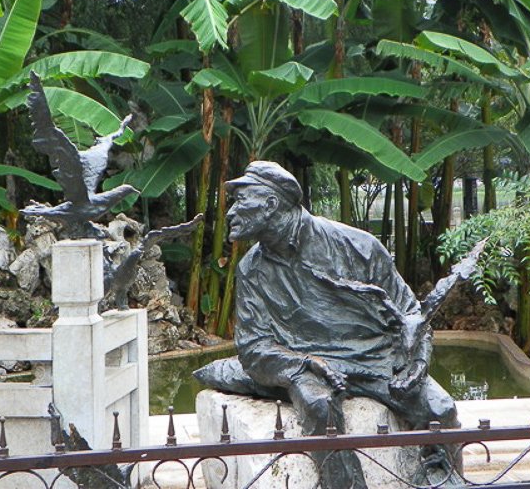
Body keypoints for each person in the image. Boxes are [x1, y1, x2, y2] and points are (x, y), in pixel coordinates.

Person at [195, 161, 459, 488]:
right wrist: (305, 362)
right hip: (306, 363)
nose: (231, 212)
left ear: (271, 204)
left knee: (441, 409)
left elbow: (411, 314)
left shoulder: (358, 246)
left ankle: (441, 481)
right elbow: (252, 346)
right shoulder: (252, 269)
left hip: (376, 358)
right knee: (319, 406)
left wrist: (417, 361)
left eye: (240, 201)